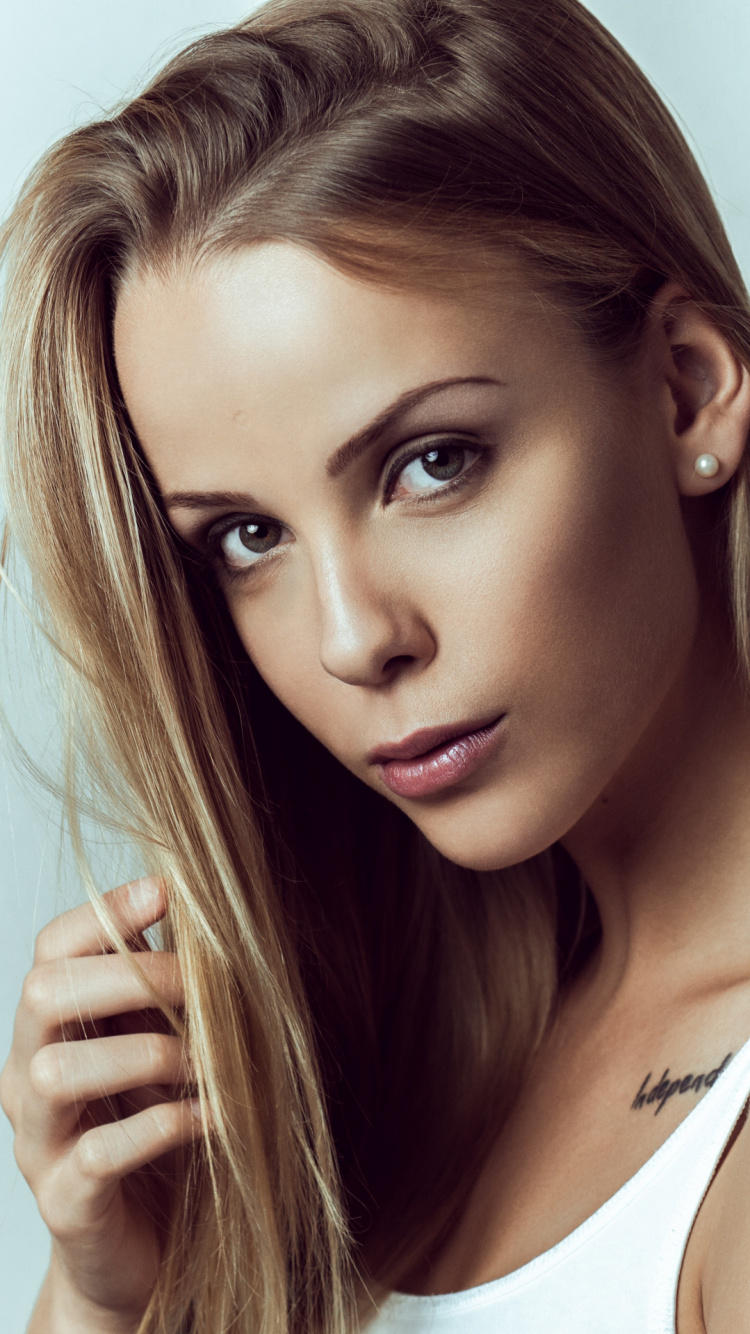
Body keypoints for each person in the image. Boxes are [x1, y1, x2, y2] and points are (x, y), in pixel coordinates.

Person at [2, 0, 750, 1329]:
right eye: (247, 537)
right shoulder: (402, 1082)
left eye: (432, 463)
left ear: (687, 388)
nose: (351, 639)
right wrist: (114, 1296)